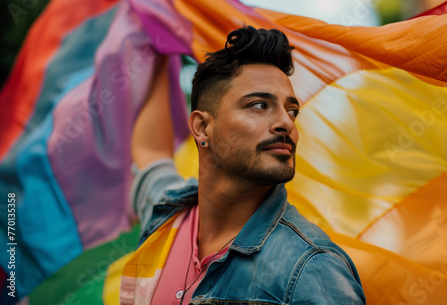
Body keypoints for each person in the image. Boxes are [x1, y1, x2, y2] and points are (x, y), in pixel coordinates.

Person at [122, 26, 366, 304]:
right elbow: (150, 151)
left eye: (292, 110)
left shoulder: (312, 269)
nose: (286, 123)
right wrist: (159, 43)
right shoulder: (166, 215)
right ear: (202, 128)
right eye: (260, 105)